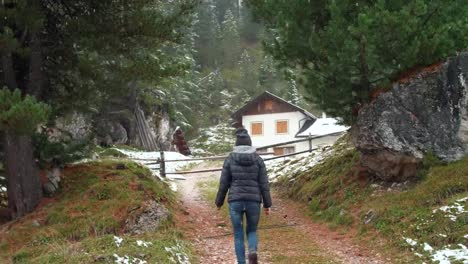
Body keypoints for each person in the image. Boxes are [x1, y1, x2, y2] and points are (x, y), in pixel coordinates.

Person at [215, 128, 272, 264]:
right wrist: (267, 204)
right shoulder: (258, 160)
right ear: (250, 144)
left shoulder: (229, 160)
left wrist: (219, 202)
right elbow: (264, 183)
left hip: (235, 202)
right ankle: (252, 251)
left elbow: (224, 183)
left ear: (237, 144)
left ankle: (241, 262)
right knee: (252, 230)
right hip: (253, 201)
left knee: (238, 234)